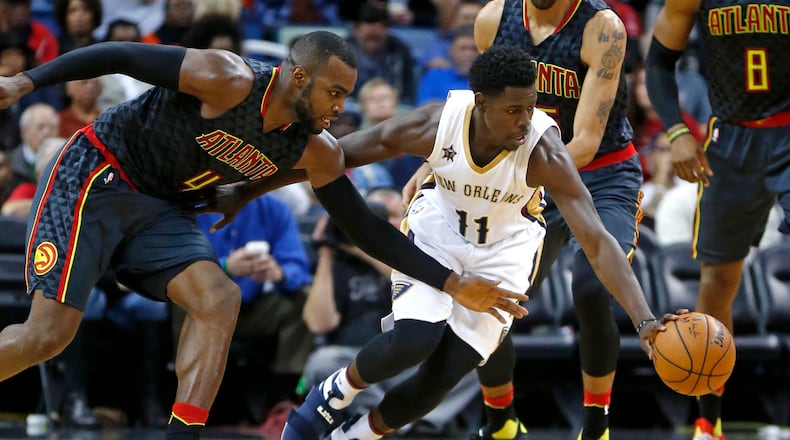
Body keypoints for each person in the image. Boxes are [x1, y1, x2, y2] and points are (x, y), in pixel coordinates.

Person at [0, 31, 526, 439]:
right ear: (299, 78)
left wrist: (452, 284)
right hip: (100, 173)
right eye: (334, 92)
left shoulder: (314, 150)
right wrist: (25, 82)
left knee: (218, 298)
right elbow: (119, 54)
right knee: (47, 337)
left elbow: (364, 226)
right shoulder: (225, 78)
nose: (341, 107)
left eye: (347, 95)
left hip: (163, 207)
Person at [280, 44, 671, 440]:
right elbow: (333, 156)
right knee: (414, 340)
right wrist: (248, 188)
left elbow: (598, 242)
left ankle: (354, 436)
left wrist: (645, 320)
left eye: (531, 108)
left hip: (505, 254)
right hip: (439, 234)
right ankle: (332, 395)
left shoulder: (544, 152)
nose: (525, 121)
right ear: (481, 103)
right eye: (513, 111)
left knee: (439, 380)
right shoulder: (436, 124)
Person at [452, 1, 646, 438]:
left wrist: (514, 178)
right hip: (525, 174)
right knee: (493, 291)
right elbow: (479, 111)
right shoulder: (493, 20)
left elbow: (587, 141)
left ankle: (596, 424)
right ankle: (501, 420)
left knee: (592, 286)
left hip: (602, 175)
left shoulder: (602, 28)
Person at [645, 1, 790, 439]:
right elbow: (657, 61)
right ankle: (709, 423)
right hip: (730, 139)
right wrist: (676, 132)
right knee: (718, 282)